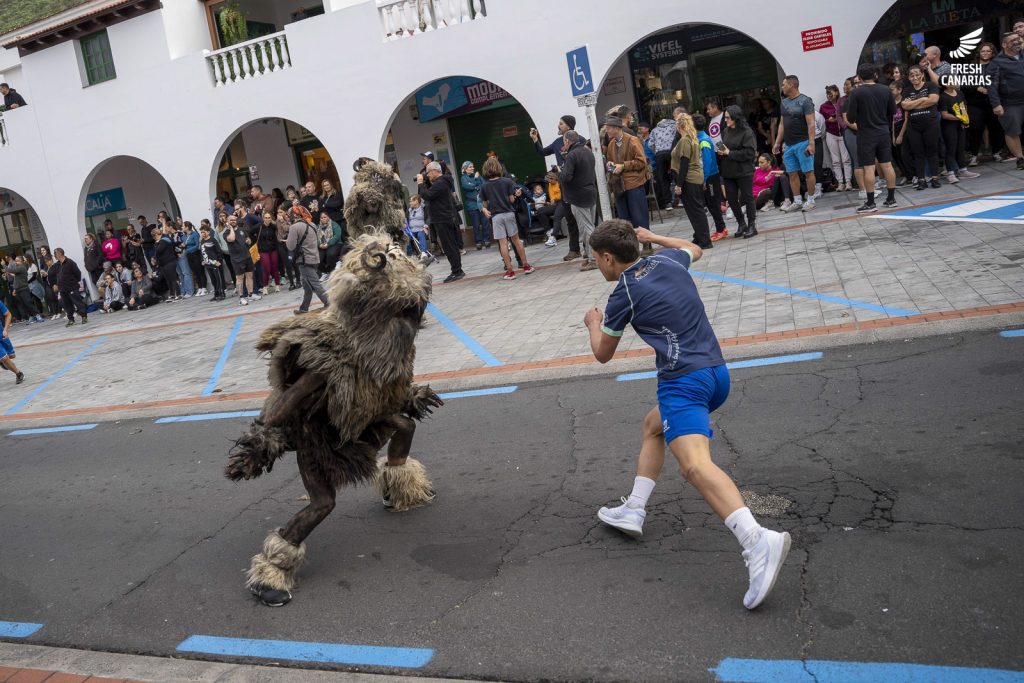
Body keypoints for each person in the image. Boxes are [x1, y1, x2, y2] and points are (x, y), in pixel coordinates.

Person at [585, 220, 792, 610]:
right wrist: (653, 237)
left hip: (683, 382)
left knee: (695, 466)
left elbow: (602, 353)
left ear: (608, 258)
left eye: (596, 258)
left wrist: (594, 323)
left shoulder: (623, 292)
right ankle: (634, 508)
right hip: (716, 374)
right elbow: (694, 247)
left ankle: (756, 540)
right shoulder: (667, 261)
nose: (597, 264)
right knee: (654, 426)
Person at [846, 63, 898, 212]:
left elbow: (850, 118)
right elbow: (892, 111)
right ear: (875, 75)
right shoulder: (885, 89)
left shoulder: (856, 93)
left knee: (868, 168)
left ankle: (870, 203)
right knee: (887, 165)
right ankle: (891, 199)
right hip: (883, 131)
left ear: (860, 77)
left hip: (866, 134)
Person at [481, 157, 534, 281]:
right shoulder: (507, 181)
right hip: (509, 214)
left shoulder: (484, 186)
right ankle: (526, 266)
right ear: (499, 168)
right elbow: (511, 199)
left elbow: (485, 203)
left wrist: (485, 209)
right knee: (516, 240)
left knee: (503, 243)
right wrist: (516, 196)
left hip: (496, 217)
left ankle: (510, 271)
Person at [774, 75, 818, 212]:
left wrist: (811, 143)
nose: (782, 87)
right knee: (792, 173)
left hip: (803, 142)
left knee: (808, 172)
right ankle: (797, 200)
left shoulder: (805, 101)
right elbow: (782, 124)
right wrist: (777, 142)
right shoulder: (784, 103)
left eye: (784, 84)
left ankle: (811, 200)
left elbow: (811, 124)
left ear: (791, 85)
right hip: (788, 145)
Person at [417, 161, 465, 283]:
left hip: (443, 219)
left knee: (449, 247)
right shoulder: (443, 182)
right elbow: (430, 193)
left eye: (428, 172)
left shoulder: (440, 183)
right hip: (445, 218)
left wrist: (420, 183)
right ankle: (457, 270)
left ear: (435, 171)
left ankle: (457, 271)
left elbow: (427, 195)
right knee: (451, 245)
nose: (428, 175)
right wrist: (425, 182)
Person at [670, 113, 712, 249]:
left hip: (689, 179)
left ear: (680, 125)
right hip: (694, 178)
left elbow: (684, 163)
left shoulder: (685, 140)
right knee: (695, 209)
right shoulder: (691, 138)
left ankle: (705, 240)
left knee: (696, 210)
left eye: (676, 123)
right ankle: (699, 237)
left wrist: (679, 184)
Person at [559, 130, 598, 270]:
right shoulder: (588, 152)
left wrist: (559, 173)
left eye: (564, 141)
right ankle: (588, 256)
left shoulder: (572, 155)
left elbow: (567, 177)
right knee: (587, 226)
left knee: (587, 228)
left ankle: (594, 259)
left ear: (567, 141)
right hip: (591, 192)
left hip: (578, 196)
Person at [604, 115, 650, 230]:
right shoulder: (611, 144)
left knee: (640, 220)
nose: (606, 130)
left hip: (634, 184)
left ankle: (645, 240)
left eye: (608, 128)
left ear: (616, 128)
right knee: (624, 223)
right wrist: (610, 164)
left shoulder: (633, 140)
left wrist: (623, 166)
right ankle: (630, 242)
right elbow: (611, 161)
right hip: (619, 186)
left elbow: (642, 162)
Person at [719, 105, 759, 238]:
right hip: (728, 171)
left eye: (728, 117)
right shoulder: (725, 131)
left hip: (744, 171)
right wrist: (722, 152)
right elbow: (726, 149)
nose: (725, 120)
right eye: (725, 117)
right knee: (731, 199)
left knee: (748, 197)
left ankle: (752, 225)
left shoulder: (747, 132)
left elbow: (749, 153)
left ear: (736, 117)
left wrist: (729, 153)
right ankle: (741, 223)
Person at [902, 65, 943, 190]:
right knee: (917, 153)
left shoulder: (930, 85)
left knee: (932, 151)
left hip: (930, 124)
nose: (914, 77)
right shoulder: (907, 90)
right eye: (911, 75)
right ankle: (921, 180)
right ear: (909, 78)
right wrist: (924, 99)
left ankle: (935, 178)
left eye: (917, 74)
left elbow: (933, 100)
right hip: (913, 126)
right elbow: (905, 106)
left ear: (922, 75)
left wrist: (913, 103)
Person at [987, 32, 1024, 170]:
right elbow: (991, 85)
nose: (1017, 41)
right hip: (1010, 103)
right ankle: (1020, 159)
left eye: (1018, 39)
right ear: (1004, 44)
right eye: (1013, 40)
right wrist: (996, 104)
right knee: (1012, 131)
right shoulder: (996, 62)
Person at [286, 203, 329, 314]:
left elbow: (290, 246)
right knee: (307, 285)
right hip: (314, 257)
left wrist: (288, 241)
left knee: (315, 284)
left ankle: (329, 303)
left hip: (304, 260)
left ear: (294, 215)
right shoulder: (312, 224)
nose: (288, 217)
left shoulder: (294, 227)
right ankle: (304, 308)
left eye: (289, 215)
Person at [939, 76, 979, 183]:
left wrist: (965, 120)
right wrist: (960, 118)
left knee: (960, 147)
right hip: (949, 126)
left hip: (960, 124)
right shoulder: (943, 97)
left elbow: (964, 106)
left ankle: (963, 170)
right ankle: (950, 173)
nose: (956, 81)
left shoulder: (960, 93)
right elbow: (944, 115)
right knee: (950, 149)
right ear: (946, 84)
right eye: (953, 80)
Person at [821, 85, 853, 191]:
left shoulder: (843, 102)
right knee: (835, 160)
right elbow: (821, 121)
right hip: (831, 134)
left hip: (843, 133)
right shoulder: (824, 106)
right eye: (827, 94)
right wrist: (828, 120)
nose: (828, 96)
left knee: (846, 159)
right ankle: (840, 182)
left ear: (836, 92)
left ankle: (848, 181)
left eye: (830, 93)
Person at [225, 214, 259, 305]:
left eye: (234, 220)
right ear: (227, 222)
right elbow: (232, 239)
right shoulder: (227, 232)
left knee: (249, 275)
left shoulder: (242, 230)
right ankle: (241, 298)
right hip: (237, 259)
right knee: (239, 278)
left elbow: (249, 240)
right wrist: (231, 229)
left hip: (247, 256)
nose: (233, 221)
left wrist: (248, 241)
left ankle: (251, 295)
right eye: (231, 220)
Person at [650, 112, 679, 211]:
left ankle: (668, 203)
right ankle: (681, 198)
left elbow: (650, 144)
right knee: (677, 174)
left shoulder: (654, 130)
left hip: (659, 154)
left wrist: (656, 151)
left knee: (663, 178)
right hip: (672, 152)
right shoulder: (674, 126)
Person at [54, 248, 88, 327]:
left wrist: (72, 282)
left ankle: (84, 316)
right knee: (67, 305)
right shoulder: (57, 265)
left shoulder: (70, 262)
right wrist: (57, 284)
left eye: (55, 253)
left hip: (72, 287)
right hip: (62, 288)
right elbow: (57, 275)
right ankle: (71, 319)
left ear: (60, 253)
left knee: (78, 302)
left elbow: (78, 274)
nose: (54, 255)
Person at [460, 161, 489, 250]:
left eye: (473, 166)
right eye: (470, 167)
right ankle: (478, 242)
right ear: (465, 169)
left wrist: (475, 185)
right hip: (471, 205)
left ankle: (486, 240)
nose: (472, 168)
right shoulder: (463, 178)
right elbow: (467, 187)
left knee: (485, 222)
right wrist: (476, 182)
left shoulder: (478, 176)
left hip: (481, 203)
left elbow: (484, 186)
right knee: (476, 225)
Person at [6, 256, 44, 323]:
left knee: (28, 303)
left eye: (17, 261)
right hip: (18, 289)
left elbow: (11, 270)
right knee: (23, 304)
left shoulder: (22, 267)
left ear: (22, 261)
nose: (16, 262)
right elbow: (16, 280)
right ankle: (32, 316)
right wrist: (15, 289)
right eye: (15, 261)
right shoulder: (18, 269)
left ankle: (37, 315)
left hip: (24, 288)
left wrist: (4, 265)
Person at [153, 225, 182, 300]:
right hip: (163, 263)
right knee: (168, 280)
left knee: (173, 279)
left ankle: (178, 294)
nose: (154, 238)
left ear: (156, 234)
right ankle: (172, 295)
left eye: (154, 236)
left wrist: (157, 243)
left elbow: (158, 250)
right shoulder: (160, 241)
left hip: (170, 261)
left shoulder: (164, 240)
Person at [199, 224, 227, 301]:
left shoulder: (213, 240)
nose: (202, 234)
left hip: (215, 263)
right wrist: (202, 260)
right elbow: (202, 252)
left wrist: (219, 261)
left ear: (208, 232)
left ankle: (222, 294)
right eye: (201, 232)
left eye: (204, 232)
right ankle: (216, 294)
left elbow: (219, 251)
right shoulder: (202, 241)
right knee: (213, 280)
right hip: (207, 264)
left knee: (218, 279)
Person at [0, 298, 25, 384]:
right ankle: (19, 374)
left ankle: (2, 361)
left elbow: (8, 314)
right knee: (4, 358)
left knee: (12, 356)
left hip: (2, 333)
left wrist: (5, 330)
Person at [181, 221, 207, 296]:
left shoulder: (195, 234)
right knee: (195, 272)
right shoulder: (183, 236)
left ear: (187, 227)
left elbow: (197, 245)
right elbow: (184, 245)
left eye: (183, 226)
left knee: (200, 271)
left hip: (196, 254)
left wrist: (188, 250)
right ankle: (200, 287)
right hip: (189, 255)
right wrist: (183, 246)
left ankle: (204, 288)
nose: (182, 227)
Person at [258, 211, 282, 292]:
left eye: (269, 218)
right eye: (266, 218)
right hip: (263, 250)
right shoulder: (259, 226)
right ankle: (265, 286)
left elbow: (279, 233)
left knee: (275, 268)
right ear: (263, 218)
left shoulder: (274, 226)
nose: (267, 219)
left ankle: (277, 285)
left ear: (271, 218)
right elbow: (251, 232)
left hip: (273, 249)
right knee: (267, 269)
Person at [316, 211, 343, 282]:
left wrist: (329, 244)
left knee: (330, 254)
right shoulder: (318, 227)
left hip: (335, 243)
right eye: (321, 218)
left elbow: (337, 235)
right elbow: (315, 238)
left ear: (328, 217)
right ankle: (324, 273)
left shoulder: (334, 224)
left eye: (325, 217)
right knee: (318, 257)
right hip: (322, 245)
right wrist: (319, 244)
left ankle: (333, 271)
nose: (323, 219)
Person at [275, 208, 297, 290]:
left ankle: (298, 281)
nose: (279, 214)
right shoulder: (277, 221)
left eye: (281, 212)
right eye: (278, 212)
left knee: (293, 262)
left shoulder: (289, 220)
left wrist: (282, 221)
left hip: (289, 243)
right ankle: (291, 283)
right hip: (281, 244)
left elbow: (287, 229)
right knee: (287, 264)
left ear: (285, 212)